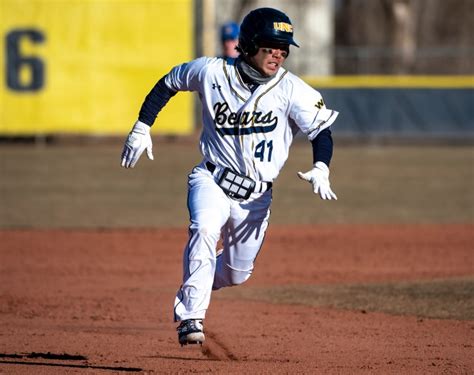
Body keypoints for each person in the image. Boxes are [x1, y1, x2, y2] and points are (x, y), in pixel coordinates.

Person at [121, 7, 339, 346]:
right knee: (204, 229)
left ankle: (199, 278)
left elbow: (321, 131)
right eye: (271, 46)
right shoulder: (211, 72)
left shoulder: (292, 89)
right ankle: (191, 317)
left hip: (256, 198)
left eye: (284, 48)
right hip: (211, 179)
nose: (278, 54)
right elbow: (169, 82)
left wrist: (321, 166)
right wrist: (142, 126)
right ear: (250, 44)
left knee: (236, 274)